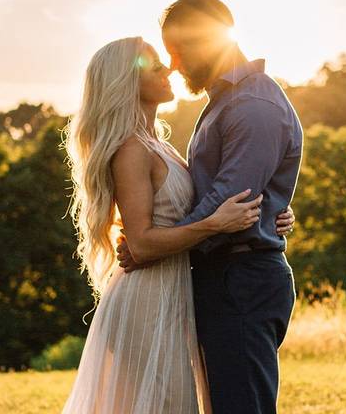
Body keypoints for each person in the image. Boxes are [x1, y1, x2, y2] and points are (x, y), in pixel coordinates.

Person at [61, 35, 295, 414]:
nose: (167, 68)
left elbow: (208, 197)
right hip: (147, 295)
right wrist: (215, 224)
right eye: (152, 65)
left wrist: (273, 213)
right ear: (126, 83)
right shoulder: (131, 150)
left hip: (174, 289)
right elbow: (141, 245)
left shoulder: (160, 145)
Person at [117, 0, 303, 414]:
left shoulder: (251, 104)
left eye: (178, 51)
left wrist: (153, 243)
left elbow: (229, 199)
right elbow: (228, 194)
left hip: (240, 278)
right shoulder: (227, 101)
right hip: (225, 275)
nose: (176, 64)